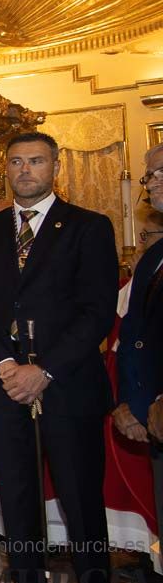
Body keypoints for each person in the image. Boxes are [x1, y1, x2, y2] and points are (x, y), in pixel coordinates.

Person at [0, 131, 118, 583]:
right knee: (18, 497)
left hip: (67, 386)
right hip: (6, 387)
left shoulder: (88, 227)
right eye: (15, 162)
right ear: (5, 169)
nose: (24, 170)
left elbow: (96, 310)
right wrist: (6, 366)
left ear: (55, 166)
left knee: (80, 500)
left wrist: (43, 369)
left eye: (35, 161)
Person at [112, 142, 163, 544]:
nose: (151, 186)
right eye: (150, 176)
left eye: (161, 173)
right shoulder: (153, 257)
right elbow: (134, 336)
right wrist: (132, 403)